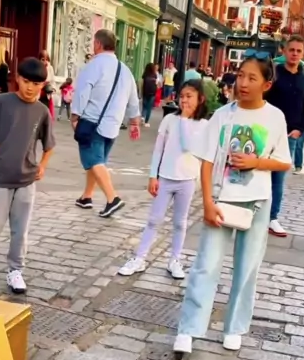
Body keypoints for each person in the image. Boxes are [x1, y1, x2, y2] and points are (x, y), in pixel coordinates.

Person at [173, 55, 291, 357]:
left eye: (252, 78)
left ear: (266, 84)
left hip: (257, 201)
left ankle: (234, 328)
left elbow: (283, 162)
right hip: (221, 198)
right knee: (206, 264)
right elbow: (206, 160)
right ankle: (189, 329)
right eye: (240, 75)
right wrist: (207, 202)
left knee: (247, 267)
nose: (243, 83)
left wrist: (256, 162)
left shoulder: (275, 117)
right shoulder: (223, 115)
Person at [0, 57, 55, 295]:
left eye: (36, 84)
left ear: (43, 85)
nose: (30, 87)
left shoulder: (42, 111)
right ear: (17, 79)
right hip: (1, 176)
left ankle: (15, 271)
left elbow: (49, 144)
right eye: (26, 81)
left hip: (27, 179)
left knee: (20, 230)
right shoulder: (2, 102)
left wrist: (43, 166)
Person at [118, 79, 209, 281]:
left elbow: (192, 148)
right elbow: (158, 149)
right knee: (154, 219)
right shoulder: (169, 120)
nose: (184, 100)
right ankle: (140, 257)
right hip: (166, 177)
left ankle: (174, 260)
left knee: (180, 222)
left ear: (200, 99)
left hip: (187, 179)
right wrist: (153, 175)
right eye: (182, 96)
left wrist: (185, 120)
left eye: (189, 96)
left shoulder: (204, 125)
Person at [72, 29, 140, 218]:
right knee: (98, 162)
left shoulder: (93, 66)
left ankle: (112, 198)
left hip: (92, 122)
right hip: (113, 125)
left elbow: (82, 92)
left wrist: (75, 116)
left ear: (98, 44)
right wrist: (134, 122)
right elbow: (133, 99)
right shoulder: (125, 70)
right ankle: (86, 197)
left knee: (95, 162)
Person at [266, 36, 304, 235]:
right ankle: (254, 212)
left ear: (303, 54)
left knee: (278, 179)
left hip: (290, 136)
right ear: (284, 51)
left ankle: (272, 217)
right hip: (267, 132)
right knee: (259, 174)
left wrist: (300, 130)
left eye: (298, 51)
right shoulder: (273, 75)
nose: (294, 54)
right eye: (291, 50)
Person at [141, 62, 158, 127]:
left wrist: (141, 92)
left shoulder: (145, 74)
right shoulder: (155, 75)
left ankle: (142, 117)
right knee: (149, 108)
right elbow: (156, 84)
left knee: (144, 106)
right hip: (152, 93)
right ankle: (146, 122)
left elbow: (142, 83)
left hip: (145, 92)